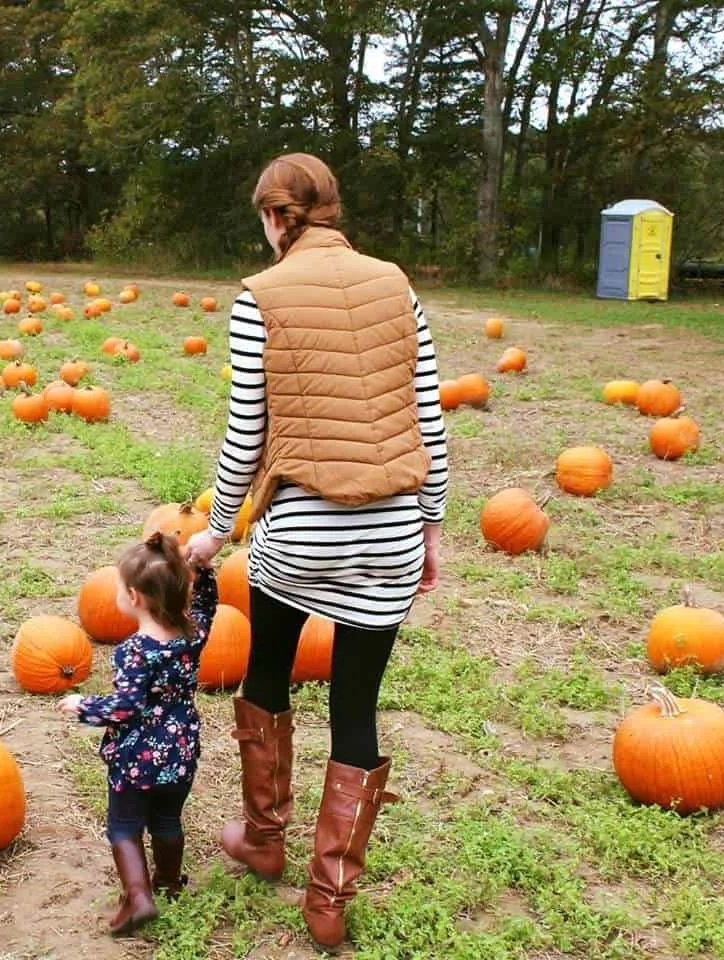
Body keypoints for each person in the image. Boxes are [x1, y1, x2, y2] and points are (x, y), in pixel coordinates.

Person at [184, 152, 449, 950]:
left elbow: (245, 437)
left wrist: (218, 528)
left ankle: (264, 840)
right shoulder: (396, 284)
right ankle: (329, 900)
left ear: (274, 219)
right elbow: (429, 422)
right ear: (333, 211)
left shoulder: (259, 296)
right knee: (356, 710)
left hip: (299, 536)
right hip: (390, 532)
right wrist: (429, 527)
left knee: (267, 673)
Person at [58, 532, 218, 936]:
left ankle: (138, 896)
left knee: (124, 826)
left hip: (136, 755)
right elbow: (206, 608)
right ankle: (168, 881)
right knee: (167, 819)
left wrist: (84, 706)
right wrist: (205, 573)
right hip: (180, 750)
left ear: (133, 597)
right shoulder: (192, 636)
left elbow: (126, 706)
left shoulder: (133, 651)